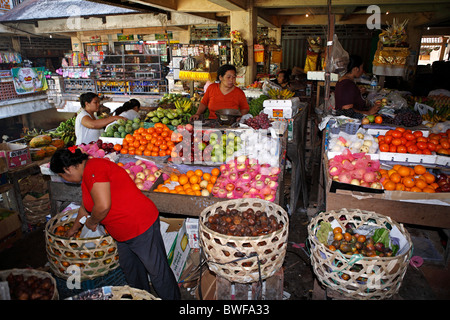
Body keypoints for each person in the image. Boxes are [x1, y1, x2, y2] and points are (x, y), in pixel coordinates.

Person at [49, 148, 181, 300]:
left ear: (68, 169)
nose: (65, 179)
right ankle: (143, 297)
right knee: (132, 272)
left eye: (62, 176)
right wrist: (73, 229)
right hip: (122, 232)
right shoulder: (86, 176)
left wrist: (92, 222)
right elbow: (86, 207)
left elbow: (103, 206)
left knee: (158, 272)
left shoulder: (94, 168)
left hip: (140, 224)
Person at [334, 55, 381, 119]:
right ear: (356, 69)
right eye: (361, 67)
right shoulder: (347, 84)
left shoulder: (345, 81)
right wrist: (368, 113)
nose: (362, 70)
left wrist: (358, 93)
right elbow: (347, 110)